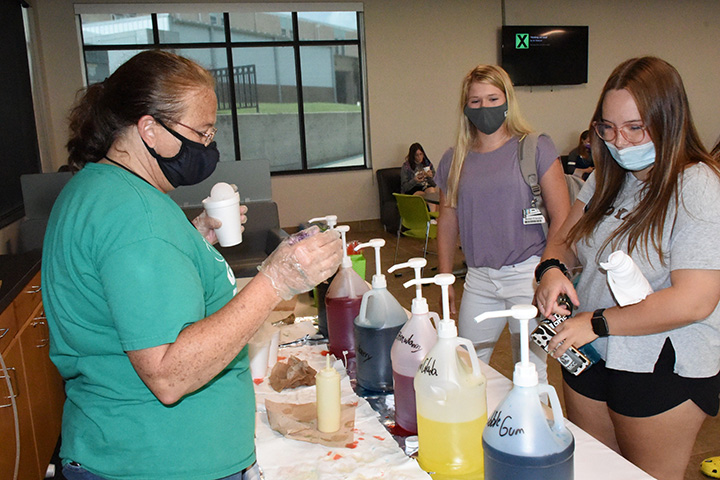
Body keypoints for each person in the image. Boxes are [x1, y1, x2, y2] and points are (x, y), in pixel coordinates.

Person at [42, 50, 342, 480]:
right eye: (200, 133)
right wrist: (276, 280)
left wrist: (191, 242)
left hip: (119, 445)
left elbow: (122, 284)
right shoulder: (136, 217)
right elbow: (168, 374)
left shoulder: (95, 188)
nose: (208, 147)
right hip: (162, 461)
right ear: (149, 128)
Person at [535, 56, 720, 480]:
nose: (619, 141)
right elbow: (564, 236)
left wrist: (597, 323)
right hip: (591, 348)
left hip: (660, 360)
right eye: (608, 127)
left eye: (635, 127)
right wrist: (550, 270)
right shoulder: (610, 173)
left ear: (668, 120)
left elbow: (695, 300)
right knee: (595, 469)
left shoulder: (697, 186)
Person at [434, 64, 571, 384]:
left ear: (508, 100)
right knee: (465, 366)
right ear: (465, 107)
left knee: (531, 371)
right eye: (476, 101)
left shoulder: (536, 146)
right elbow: (447, 219)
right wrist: (444, 274)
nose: (485, 108)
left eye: (493, 98)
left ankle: (532, 433)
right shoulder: (455, 159)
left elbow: (562, 217)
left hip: (529, 275)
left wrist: (550, 271)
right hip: (479, 279)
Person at [400, 142, 438, 211]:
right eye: (416, 155)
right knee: (421, 195)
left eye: (421, 154)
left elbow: (434, 184)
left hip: (425, 186)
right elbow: (404, 187)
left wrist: (429, 177)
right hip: (413, 188)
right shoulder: (406, 167)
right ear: (413, 156)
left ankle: (433, 217)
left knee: (431, 191)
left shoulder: (428, 164)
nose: (419, 157)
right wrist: (415, 180)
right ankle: (427, 216)